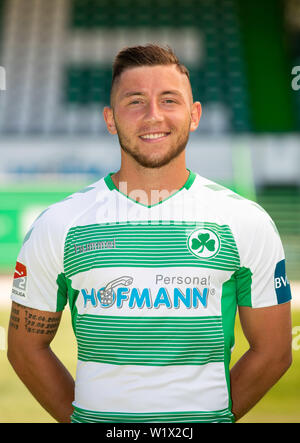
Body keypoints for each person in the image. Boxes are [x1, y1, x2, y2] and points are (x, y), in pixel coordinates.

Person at [7, 44, 292, 424]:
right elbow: (26, 349)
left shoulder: (244, 221)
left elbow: (273, 352)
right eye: (135, 101)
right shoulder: (60, 223)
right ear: (110, 119)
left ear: (194, 115)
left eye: (169, 100)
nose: (153, 115)